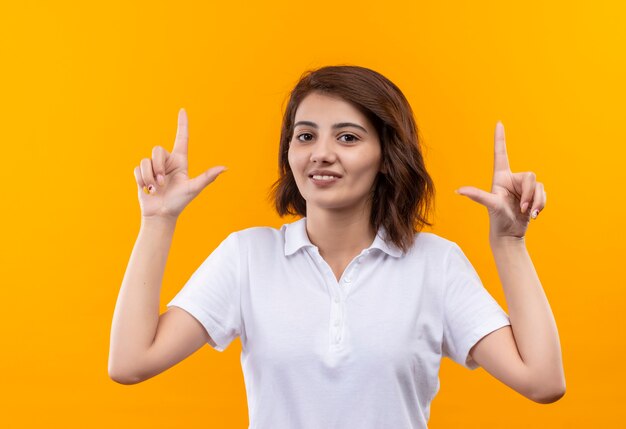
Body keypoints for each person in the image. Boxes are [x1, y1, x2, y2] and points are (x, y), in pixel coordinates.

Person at [108, 65, 565, 428]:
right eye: (306, 135)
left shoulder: (436, 265)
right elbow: (130, 363)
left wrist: (509, 242)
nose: (320, 153)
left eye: (347, 137)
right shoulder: (247, 257)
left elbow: (543, 381)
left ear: (387, 156)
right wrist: (157, 221)